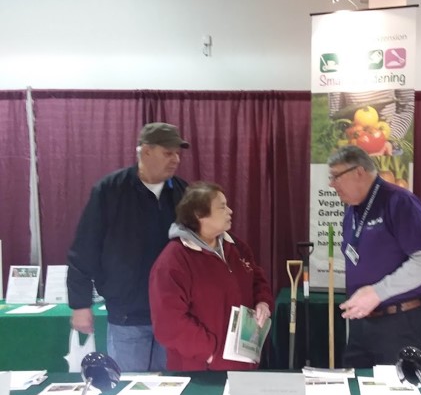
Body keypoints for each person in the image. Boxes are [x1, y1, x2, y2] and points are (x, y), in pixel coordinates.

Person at [67, 122, 189, 372]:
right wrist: (80, 305)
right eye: (168, 153)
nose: (176, 159)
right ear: (146, 151)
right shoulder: (110, 190)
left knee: (174, 392)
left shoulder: (183, 193)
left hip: (174, 314)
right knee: (129, 391)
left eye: (178, 153)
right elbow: (84, 248)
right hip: (127, 315)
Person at [328, 145, 421, 367]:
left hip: (403, 322)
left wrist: (378, 292)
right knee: (355, 389)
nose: (331, 184)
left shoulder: (399, 202)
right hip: (363, 323)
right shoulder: (352, 209)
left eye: (335, 177)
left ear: (359, 172)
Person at [148, 181, 273, 371]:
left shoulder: (237, 247)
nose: (230, 211)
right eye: (222, 207)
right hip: (201, 370)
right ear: (200, 214)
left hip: (243, 363)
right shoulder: (173, 262)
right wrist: (210, 353)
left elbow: (257, 279)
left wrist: (262, 302)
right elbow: (169, 323)